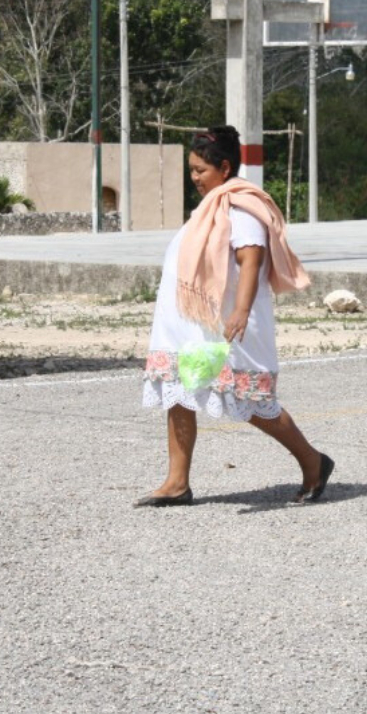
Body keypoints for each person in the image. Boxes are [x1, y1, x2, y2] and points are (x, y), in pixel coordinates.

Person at [136, 126, 333, 508]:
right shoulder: (208, 207)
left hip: (227, 326)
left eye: (199, 171)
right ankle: (177, 483)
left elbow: (250, 259)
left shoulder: (240, 208)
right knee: (179, 394)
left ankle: (314, 462)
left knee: (250, 401)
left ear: (224, 168)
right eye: (191, 170)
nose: (193, 178)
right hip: (187, 325)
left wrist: (240, 311)